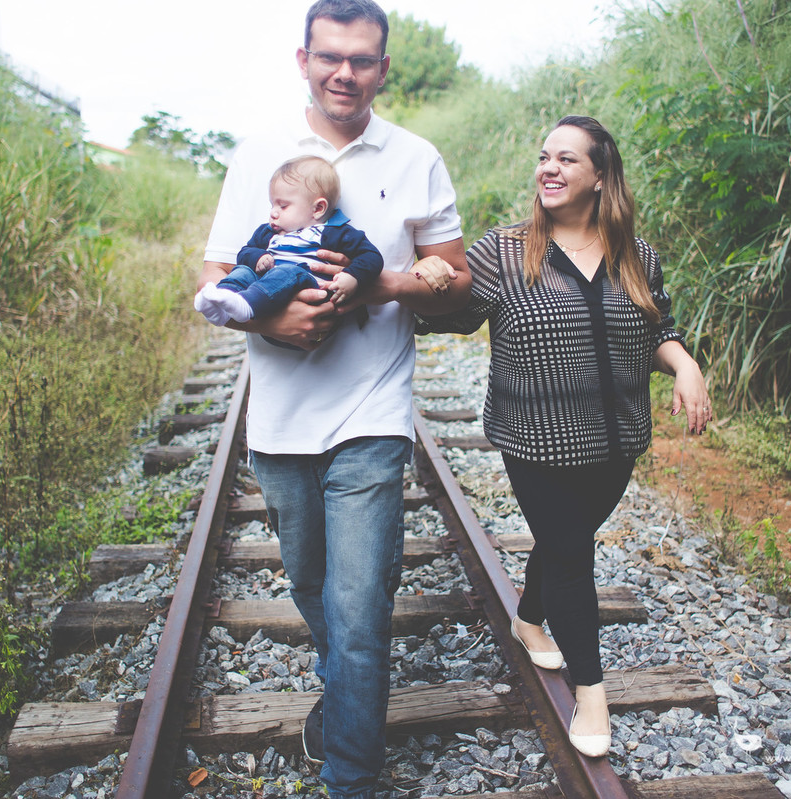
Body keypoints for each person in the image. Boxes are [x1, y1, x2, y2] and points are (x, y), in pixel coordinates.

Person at [196, 1, 469, 795]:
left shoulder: (416, 156)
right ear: (303, 59)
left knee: (358, 610)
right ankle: (345, 688)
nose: (344, 73)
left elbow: (454, 280)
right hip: (280, 423)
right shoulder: (259, 155)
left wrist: (374, 283)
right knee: (313, 586)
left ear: (384, 67)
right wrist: (277, 322)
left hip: (374, 414)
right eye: (329, 58)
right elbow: (216, 280)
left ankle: (352, 773)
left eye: (362, 59)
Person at [417, 115, 711, 758]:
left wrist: (684, 363)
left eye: (567, 160)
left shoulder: (635, 253)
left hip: (619, 438)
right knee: (574, 552)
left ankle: (528, 619)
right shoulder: (505, 250)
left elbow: (658, 327)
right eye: (544, 157)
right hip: (535, 438)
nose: (549, 168)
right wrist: (428, 280)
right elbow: (451, 314)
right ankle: (592, 692)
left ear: (600, 176)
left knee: (565, 541)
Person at [194, 155, 383, 327]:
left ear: (318, 208)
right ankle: (223, 299)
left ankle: (248, 305)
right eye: (272, 204)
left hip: (311, 303)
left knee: (291, 271)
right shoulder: (268, 233)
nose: (273, 212)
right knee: (243, 270)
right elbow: (244, 253)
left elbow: (371, 256)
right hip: (274, 309)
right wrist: (258, 257)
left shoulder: (334, 232)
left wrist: (353, 277)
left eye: (283, 206)